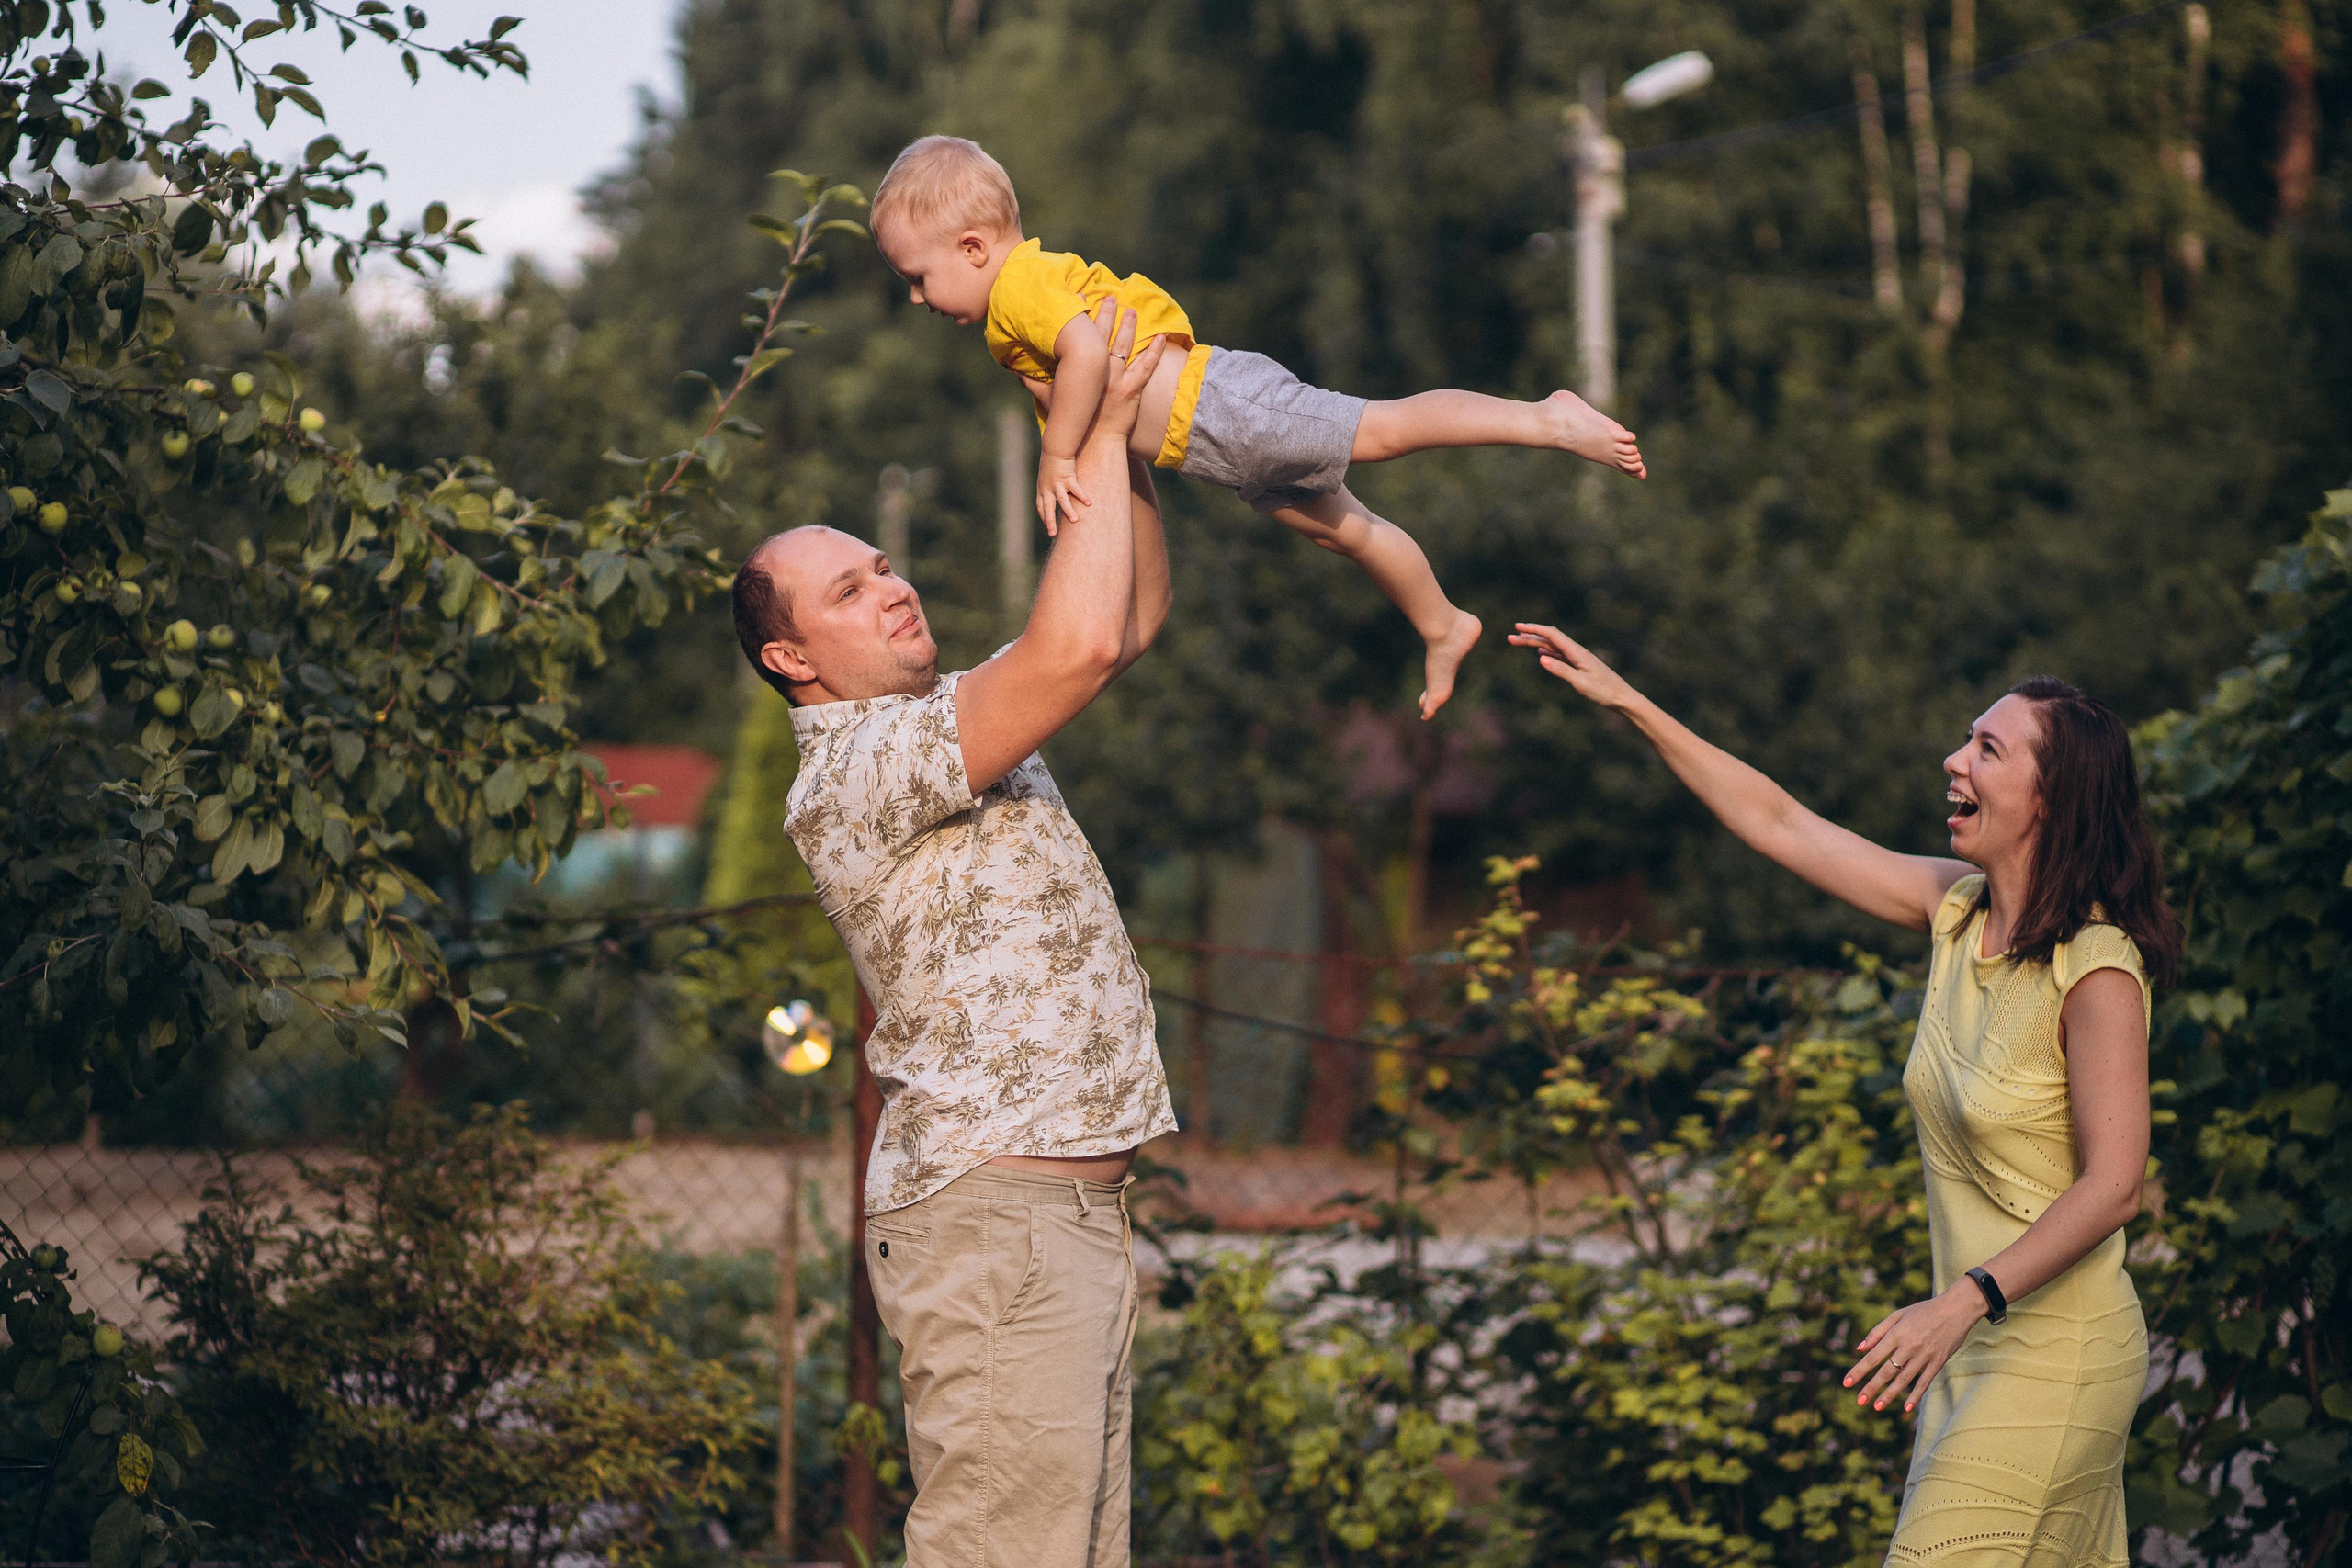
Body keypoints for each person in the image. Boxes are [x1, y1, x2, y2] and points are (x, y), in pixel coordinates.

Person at [1510, 623, 2180, 1568]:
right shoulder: (1955, 914)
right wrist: (1629, 703)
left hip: (2050, 1351)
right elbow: (1781, 823)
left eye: (1987, 748)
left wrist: (1962, 1303)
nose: (1954, 759)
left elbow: (2114, 1187)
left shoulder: (2095, 969)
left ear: (2049, 798)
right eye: (1965, 739)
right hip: (1970, 1346)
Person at [731, 302, 1181, 1567]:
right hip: (994, 1225)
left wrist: (1130, 435)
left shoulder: (944, 720)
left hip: (1069, 1218)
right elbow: (1079, 639)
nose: (892, 585)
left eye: (884, 565)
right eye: (849, 588)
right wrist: (1076, 409)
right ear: (790, 654)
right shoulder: (860, 763)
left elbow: (1125, 624)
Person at [867, 134, 1648, 721]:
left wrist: (1058, 455)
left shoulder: (1018, 288)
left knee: (1381, 429)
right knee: (1349, 531)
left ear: (973, 248)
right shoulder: (1008, 315)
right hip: (1217, 447)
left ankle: (1548, 419)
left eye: (917, 277)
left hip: (1225, 408)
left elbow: (1083, 351)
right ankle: (1443, 623)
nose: (916, 298)